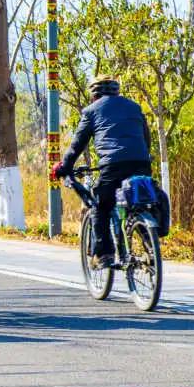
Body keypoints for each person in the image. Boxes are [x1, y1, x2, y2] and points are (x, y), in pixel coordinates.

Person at [52, 76, 152, 269]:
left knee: (100, 205)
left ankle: (104, 254)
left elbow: (77, 145)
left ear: (94, 95)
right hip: (142, 163)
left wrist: (64, 166)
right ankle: (149, 245)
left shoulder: (91, 111)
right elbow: (146, 139)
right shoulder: (134, 107)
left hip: (112, 166)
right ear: (116, 92)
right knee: (138, 203)